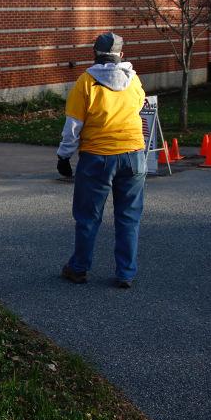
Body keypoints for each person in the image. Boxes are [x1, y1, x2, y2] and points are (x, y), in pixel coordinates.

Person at [56, 32, 146, 288]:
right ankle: (126, 273)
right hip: (134, 155)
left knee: (88, 216)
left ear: (94, 53)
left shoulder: (86, 83)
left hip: (98, 157)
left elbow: (73, 127)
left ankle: (79, 268)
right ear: (122, 55)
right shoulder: (134, 80)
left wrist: (64, 157)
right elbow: (139, 107)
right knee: (128, 217)